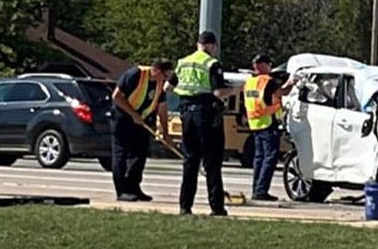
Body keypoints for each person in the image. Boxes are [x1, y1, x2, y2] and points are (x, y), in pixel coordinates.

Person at [173, 31, 234, 216]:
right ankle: (216, 207)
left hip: (186, 115)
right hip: (206, 115)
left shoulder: (183, 62)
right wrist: (236, 89)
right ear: (211, 45)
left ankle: (185, 206)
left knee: (190, 161)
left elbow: (169, 86)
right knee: (212, 162)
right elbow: (218, 93)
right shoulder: (211, 64)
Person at [110, 58, 175, 202]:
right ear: (156, 70)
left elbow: (162, 108)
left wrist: (165, 133)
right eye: (165, 76)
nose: (165, 80)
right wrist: (133, 115)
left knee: (140, 154)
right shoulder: (135, 74)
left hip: (143, 121)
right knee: (121, 154)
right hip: (123, 118)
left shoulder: (160, 84)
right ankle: (121, 191)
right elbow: (116, 96)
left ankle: (134, 187)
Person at [243, 52, 295, 202]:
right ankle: (261, 190)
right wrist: (291, 83)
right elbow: (282, 92)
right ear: (263, 65)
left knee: (259, 157)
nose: (270, 67)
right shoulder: (268, 81)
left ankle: (256, 189)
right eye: (269, 64)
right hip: (267, 122)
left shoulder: (249, 82)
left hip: (255, 123)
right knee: (270, 157)